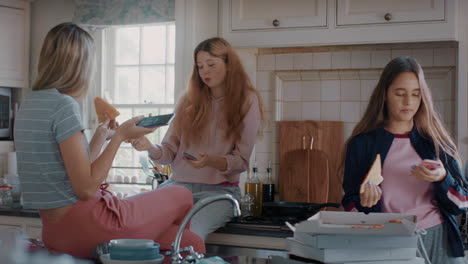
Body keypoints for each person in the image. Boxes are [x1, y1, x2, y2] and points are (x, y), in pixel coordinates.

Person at [14, 22, 204, 259]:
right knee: (182, 194)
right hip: (93, 225)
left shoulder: (28, 105)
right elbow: (84, 189)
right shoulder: (65, 106)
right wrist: (121, 137)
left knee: (189, 243)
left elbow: (73, 173)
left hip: (56, 233)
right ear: (80, 65)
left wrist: (102, 136)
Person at [130, 37, 264, 240]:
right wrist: (149, 148)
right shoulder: (188, 100)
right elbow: (168, 153)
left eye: (211, 64)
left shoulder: (247, 100)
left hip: (219, 194)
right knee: (131, 219)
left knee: (187, 237)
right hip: (178, 187)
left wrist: (210, 160)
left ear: (229, 64)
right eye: (200, 67)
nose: (205, 72)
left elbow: (241, 162)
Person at [342, 56, 467, 263]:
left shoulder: (437, 144)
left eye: (415, 94)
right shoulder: (361, 144)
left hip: (439, 241)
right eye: (400, 94)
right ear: (384, 95)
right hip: (387, 244)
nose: (409, 102)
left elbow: (462, 203)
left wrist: (442, 178)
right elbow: (350, 204)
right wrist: (364, 204)